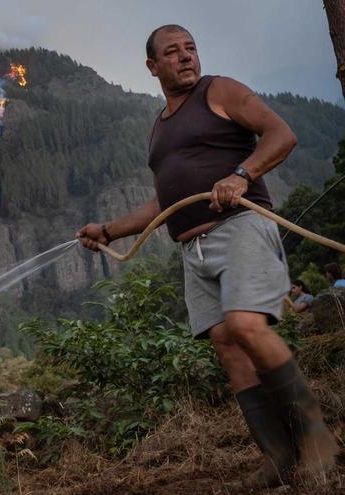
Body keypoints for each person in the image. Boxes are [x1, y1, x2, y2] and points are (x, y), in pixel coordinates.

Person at [77, 25, 338, 488]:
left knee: (245, 325)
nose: (185, 57)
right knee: (226, 343)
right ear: (152, 66)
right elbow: (166, 200)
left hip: (239, 228)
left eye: (190, 49)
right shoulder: (159, 128)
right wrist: (110, 230)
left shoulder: (219, 91)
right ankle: (277, 457)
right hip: (192, 249)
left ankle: (317, 438)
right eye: (172, 52)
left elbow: (281, 134)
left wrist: (242, 174)